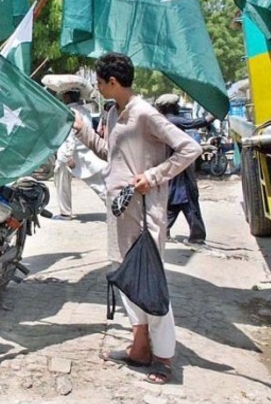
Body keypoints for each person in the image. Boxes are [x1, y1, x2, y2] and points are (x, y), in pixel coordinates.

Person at [72, 53, 201, 385]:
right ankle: (139, 348)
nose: (98, 88)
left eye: (99, 83)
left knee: (149, 282)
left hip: (146, 215)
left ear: (112, 82)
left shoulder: (145, 113)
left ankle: (164, 358)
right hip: (120, 213)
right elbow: (110, 154)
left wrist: (154, 176)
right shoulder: (115, 113)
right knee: (128, 280)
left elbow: (189, 149)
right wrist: (83, 131)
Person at [155, 94, 215, 244]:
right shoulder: (173, 120)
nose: (179, 107)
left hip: (171, 165)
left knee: (174, 200)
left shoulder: (161, 120)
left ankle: (164, 231)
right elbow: (198, 122)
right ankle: (197, 236)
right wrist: (215, 113)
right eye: (176, 104)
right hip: (181, 166)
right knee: (188, 198)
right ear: (171, 107)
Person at [54, 89, 106, 218]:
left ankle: (65, 213)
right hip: (86, 150)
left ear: (67, 96)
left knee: (62, 182)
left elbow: (70, 133)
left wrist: (68, 154)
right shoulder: (85, 111)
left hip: (71, 153)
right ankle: (115, 207)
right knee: (98, 183)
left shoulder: (68, 112)